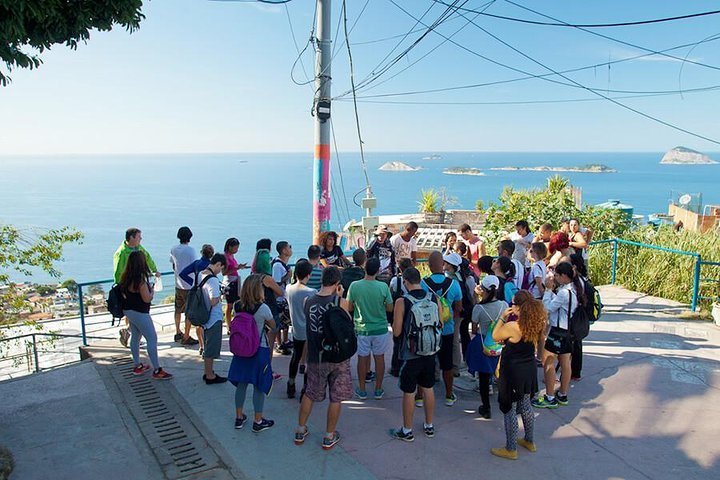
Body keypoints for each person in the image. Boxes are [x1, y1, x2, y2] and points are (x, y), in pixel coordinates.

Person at [295, 267, 352, 450]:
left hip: (315, 356)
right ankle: (329, 436)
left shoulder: (308, 301)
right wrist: (341, 296)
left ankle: (300, 429)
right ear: (337, 284)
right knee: (335, 398)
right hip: (337, 357)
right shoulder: (340, 302)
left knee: (310, 393)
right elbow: (347, 325)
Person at [490, 295, 546, 460]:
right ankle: (529, 440)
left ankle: (511, 448)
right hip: (528, 369)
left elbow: (495, 336)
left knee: (510, 408)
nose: (510, 305)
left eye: (512, 303)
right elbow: (539, 343)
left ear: (519, 307)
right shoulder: (536, 323)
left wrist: (502, 317)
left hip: (512, 371)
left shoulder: (513, 326)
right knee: (526, 404)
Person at [390, 266, 439, 441]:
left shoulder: (402, 302)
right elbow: (439, 322)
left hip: (410, 352)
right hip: (431, 349)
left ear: (405, 281)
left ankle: (407, 429)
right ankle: (429, 425)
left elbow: (396, 331)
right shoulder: (433, 298)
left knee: (409, 391)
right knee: (428, 388)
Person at [227, 274, 276, 432]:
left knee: (241, 384)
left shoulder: (237, 306)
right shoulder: (263, 308)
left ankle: (239, 417)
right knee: (258, 386)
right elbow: (273, 326)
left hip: (241, 350)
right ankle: (258, 420)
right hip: (258, 349)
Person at [533, 262, 584, 408]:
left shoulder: (563, 293)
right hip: (567, 331)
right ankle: (562, 394)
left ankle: (549, 396)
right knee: (565, 363)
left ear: (563, 276)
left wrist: (548, 290)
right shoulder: (574, 289)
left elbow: (547, 308)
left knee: (548, 361)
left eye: (556, 275)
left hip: (557, 331)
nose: (554, 278)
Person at [119, 251, 172, 380]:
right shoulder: (140, 281)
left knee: (136, 336)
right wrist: (152, 291)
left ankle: (137, 365)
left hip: (128, 311)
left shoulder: (125, 277)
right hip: (140, 312)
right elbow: (147, 299)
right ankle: (157, 369)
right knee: (152, 338)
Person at [346, 257, 393, 400]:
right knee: (380, 359)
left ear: (364, 268)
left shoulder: (355, 286)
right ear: (378, 270)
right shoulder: (383, 287)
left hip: (361, 329)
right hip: (380, 329)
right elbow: (390, 307)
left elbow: (349, 307)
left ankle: (362, 389)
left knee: (362, 358)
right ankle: (378, 389)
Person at [421, 251, 462, 406]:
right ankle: (449, 394)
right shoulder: (454, 284)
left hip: (428, 328)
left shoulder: (423, 283)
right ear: (443, 265)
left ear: (429, 266)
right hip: (447, 328)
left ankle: (420, 396)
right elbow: (459, 306)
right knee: (447, 364)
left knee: (425, 361)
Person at [113, 227, 160, 347]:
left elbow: (147, 257)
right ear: (132, 237)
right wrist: (121, 287)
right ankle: (129, 333)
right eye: (139, 237)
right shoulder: (121, 253)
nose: (141, 239)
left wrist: (154, 270)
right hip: (128, 287)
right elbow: (118, 272)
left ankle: (129, 334)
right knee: (134, 311)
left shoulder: (139, 248)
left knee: (136, 311)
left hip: (138, 284)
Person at [470, 275, 508, 419]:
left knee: (484, 378)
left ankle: (486, 407)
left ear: (482, 289)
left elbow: (474, 329)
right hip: (500, 343)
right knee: (501, 374)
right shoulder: (504, 305)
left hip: (484, 343)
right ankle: (505, 403)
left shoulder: (479, 308)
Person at [285, 260, 316, 399]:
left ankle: (291, 384)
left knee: (295, 357)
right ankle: (305, 388)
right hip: (309, 330)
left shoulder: (288, 289)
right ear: (308, 275)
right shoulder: (311, 292)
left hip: (296, 330)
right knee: (309, 360)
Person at [179, 244, 214, 356]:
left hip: (195, 292)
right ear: (211, 254)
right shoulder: (210, 266)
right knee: (207, 320)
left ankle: (201, 345)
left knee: (198, 320)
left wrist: (192, 283)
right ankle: (207, 346)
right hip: (206, 294)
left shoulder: (197, 263)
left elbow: (183, 273)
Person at [443, 252, 477, 368]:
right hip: (465, 311)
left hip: (455, 313)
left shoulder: (451, 279)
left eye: (446, 262)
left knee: (454, 338)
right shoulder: (465, 278)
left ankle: (455, 364)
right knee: (462, 335)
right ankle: (462, 361)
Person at [200, 253, 228, 385]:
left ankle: (208, 372)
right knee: (211, 347)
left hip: (204, 315)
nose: (220, 271)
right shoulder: (213, 280)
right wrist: (221, 295)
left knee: (207, 345)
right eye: (221, 268)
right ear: (218, 264)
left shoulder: (201, 274)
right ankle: (210, 375)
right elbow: (213, 301)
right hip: (213, 317)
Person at [170, 226, 199, 346]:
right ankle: (186, 336)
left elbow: (173, 265)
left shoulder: (173, 249)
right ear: (190, 237)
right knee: (189, 311)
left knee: (178, 309)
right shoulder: (191, 250)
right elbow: (195, 267)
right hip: (189, 285)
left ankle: (178, 332)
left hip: (178, 284)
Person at [389, 257, 413, 376]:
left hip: (398, 311)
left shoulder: (395, 280)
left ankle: (395, 368)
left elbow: (390, 293)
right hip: (410, 312)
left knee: (397, 341)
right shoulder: (414, 281)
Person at [569, 252, 589, 380]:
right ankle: (575, 372)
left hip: (574, 316)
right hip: (580, 316)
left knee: (573, 345)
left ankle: (573, 372)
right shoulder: (583, 280)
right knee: (577, 344)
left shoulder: (575, 283)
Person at [272, 241, 294, 355]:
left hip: (285, 297)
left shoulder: (283, 264)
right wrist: (288, 276)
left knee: (285, 321)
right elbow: (276, 282)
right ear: (284, 250)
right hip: (279, 299)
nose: (291, 249)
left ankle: (285, 340)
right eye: (289, 247)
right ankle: (279, 343)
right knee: (279, 322)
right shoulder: (277, 265)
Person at [223, 238, 246, 329]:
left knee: (236, 304)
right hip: (230, 283)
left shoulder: (231, 256)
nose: (237, 250)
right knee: (229, 305)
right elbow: (224, 272)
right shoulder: (225, 257)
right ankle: (229, 326)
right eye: (235, 248)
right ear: (230, 247)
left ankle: (234, 323)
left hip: (235, 281)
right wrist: (237, 268)